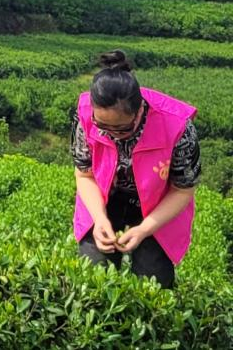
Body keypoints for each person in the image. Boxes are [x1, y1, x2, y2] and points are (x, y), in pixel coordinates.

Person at [72, 50, 201, 288]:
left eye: (120, 129)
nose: (110, 134)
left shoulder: (178, 127)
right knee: (93, 276)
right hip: (105, 197)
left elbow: (183, 190)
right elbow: (84, 175)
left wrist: (144, 229)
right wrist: (100, 219)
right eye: (102, 126)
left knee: (153, 280)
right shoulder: (85, 116)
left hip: (157, 204)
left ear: (140, 110)